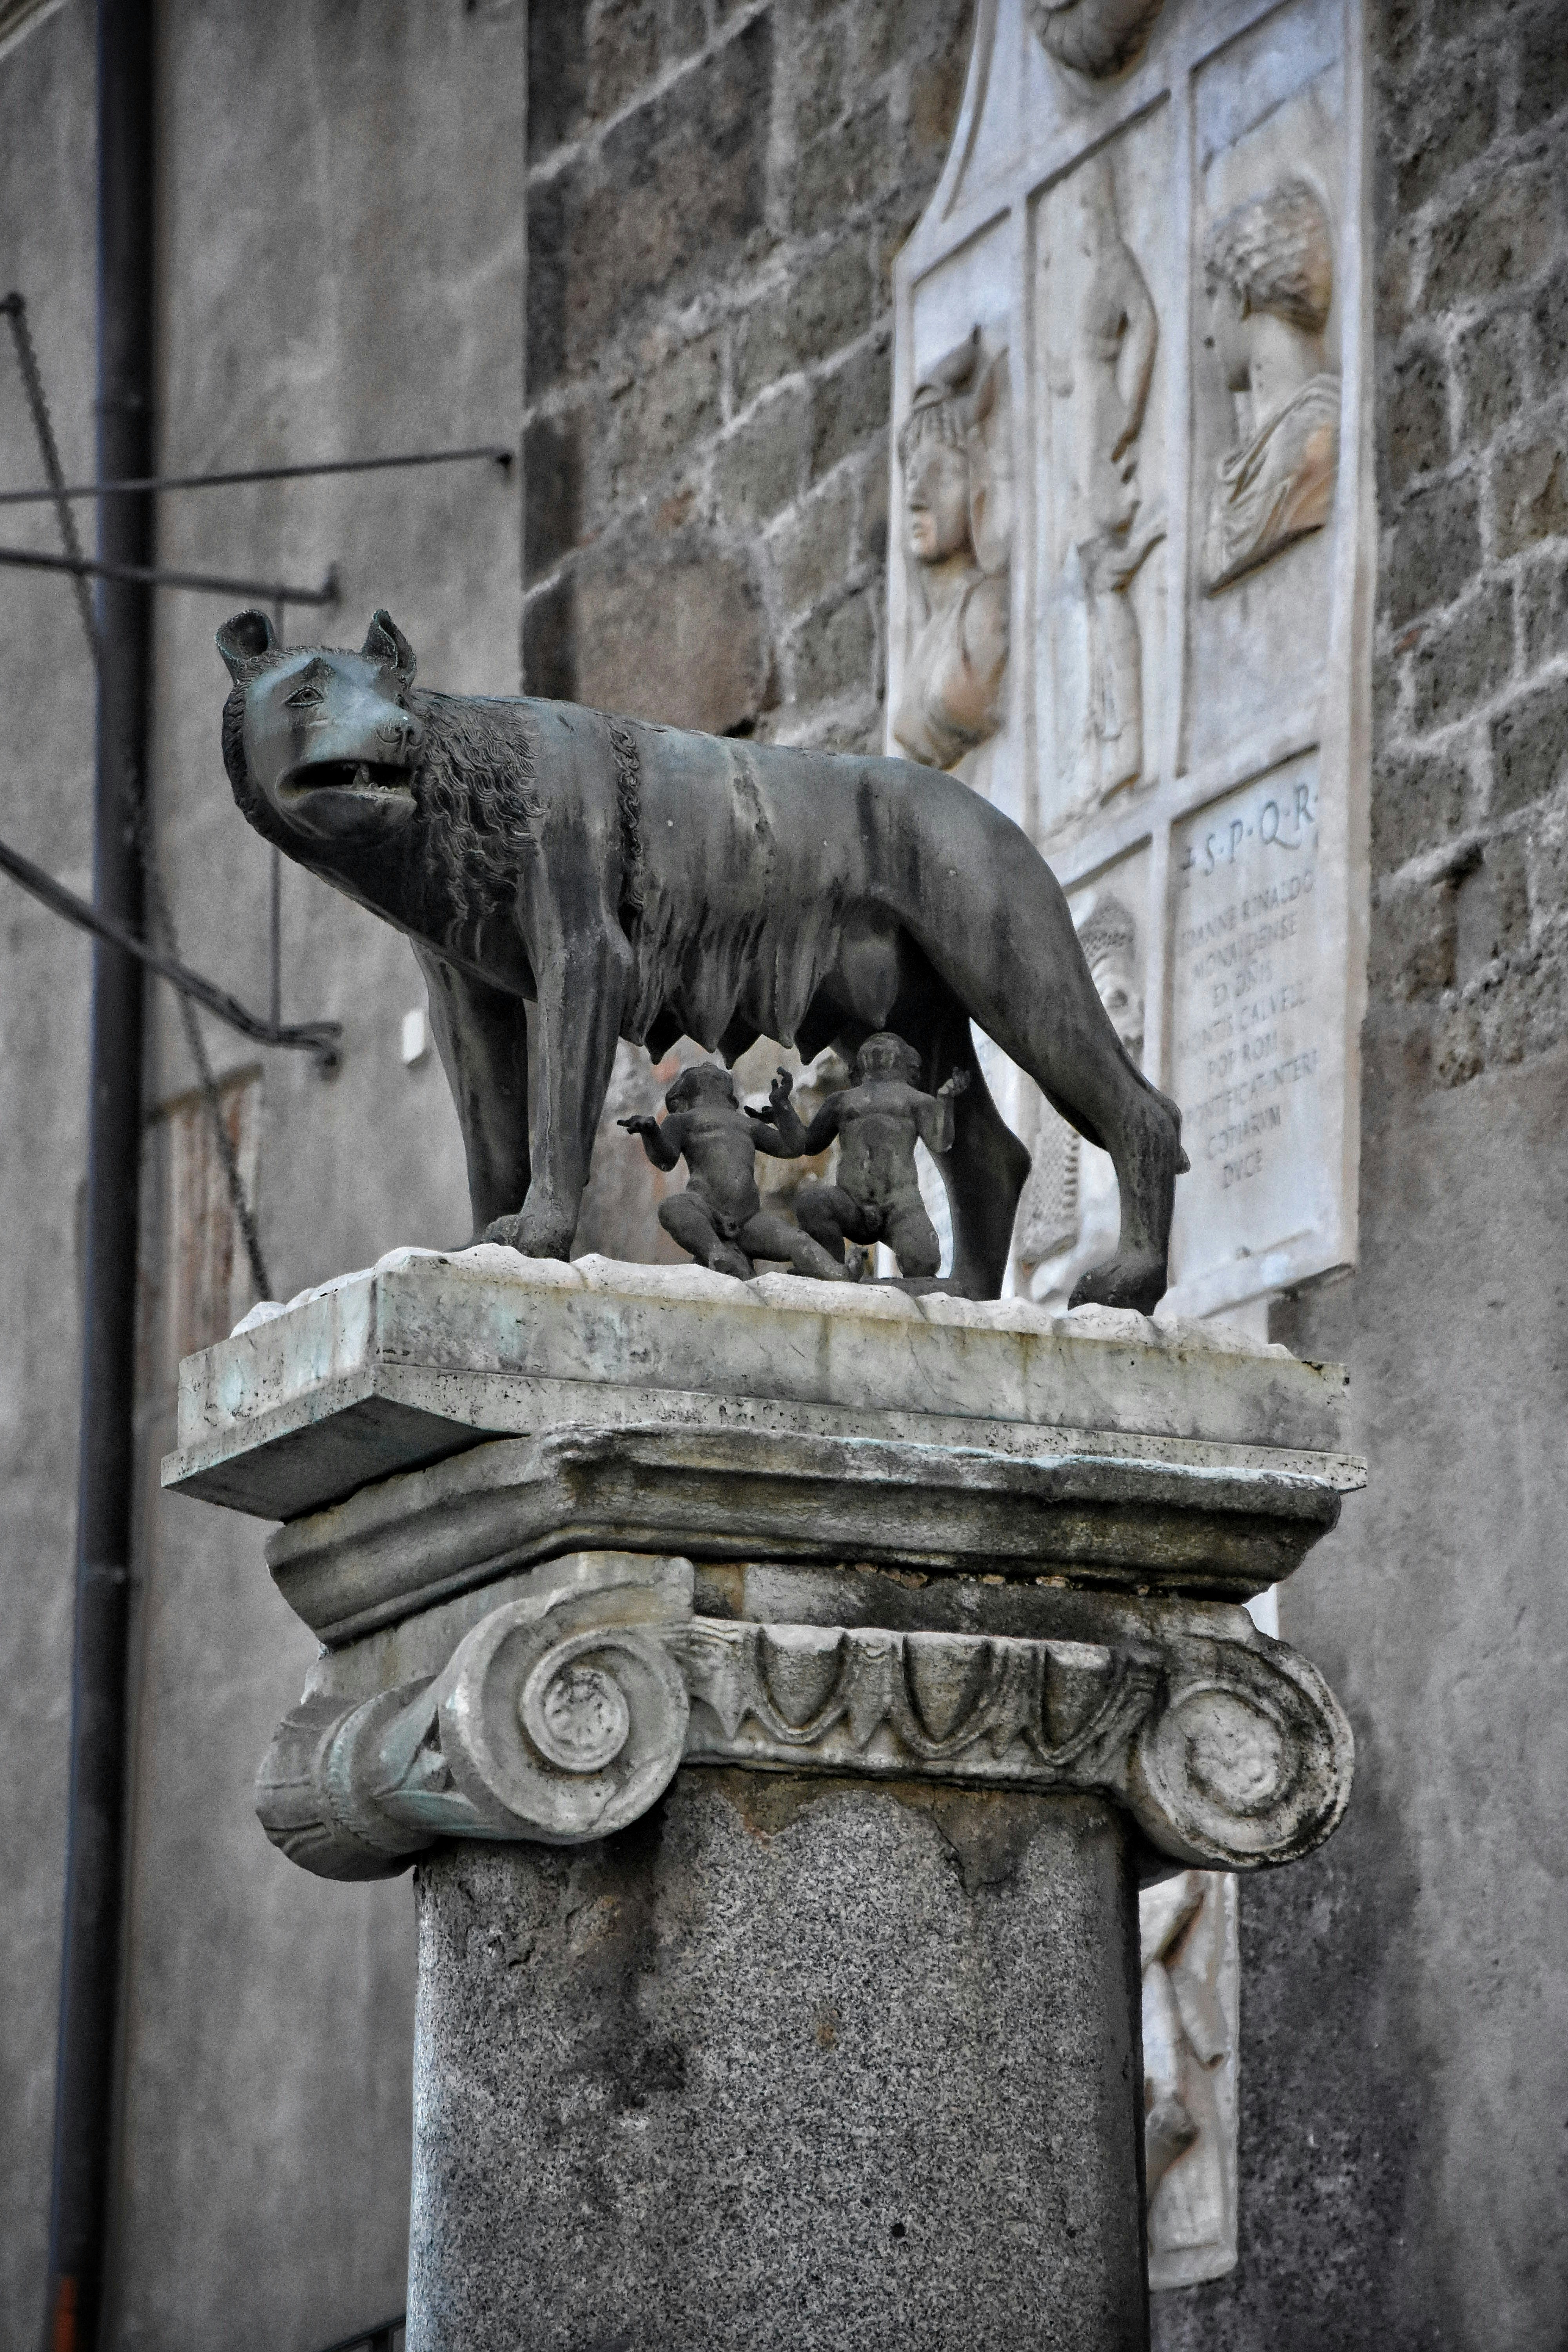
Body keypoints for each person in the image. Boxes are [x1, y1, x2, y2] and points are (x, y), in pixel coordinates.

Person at [1200, 177, 1339, 593]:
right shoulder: (1239, 476)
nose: (1207, 334)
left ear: (1242, 296)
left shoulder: (1318, 433)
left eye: (1212, 295)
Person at [754, 1033, 969, 1280]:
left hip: (900, 1206)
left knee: (925, 1261)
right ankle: (832, 1271)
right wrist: (783, 1109)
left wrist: (946, 1101)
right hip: (850, 1203)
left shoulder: (917, 1100)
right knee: (812, 1204)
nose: (878, 1046)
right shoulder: (841, 1101)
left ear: (907, 1062)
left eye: (888, 1045)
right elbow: (809, 1144)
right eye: (872, 1045)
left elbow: (941, 1142)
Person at [891, 329, 1011, 773]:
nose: (915, 498)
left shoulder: (987, 610)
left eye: (941, 475)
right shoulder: (927, 634)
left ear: (979, 486)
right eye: (912, 476)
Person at [618, 1062, 848, 1281]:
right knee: (673, 1208)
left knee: (798, 1240)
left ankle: (838, 1274)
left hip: (749, 1220)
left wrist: (782, 1106)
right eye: (698, 1073)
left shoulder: (747, 1124)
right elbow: (666, 1160)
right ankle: (718, 1254)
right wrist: (651, 1133)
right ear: (681, 1097)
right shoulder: (682, 1120)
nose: (709, 1068)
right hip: (706, 1210)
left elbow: (793, 1147)